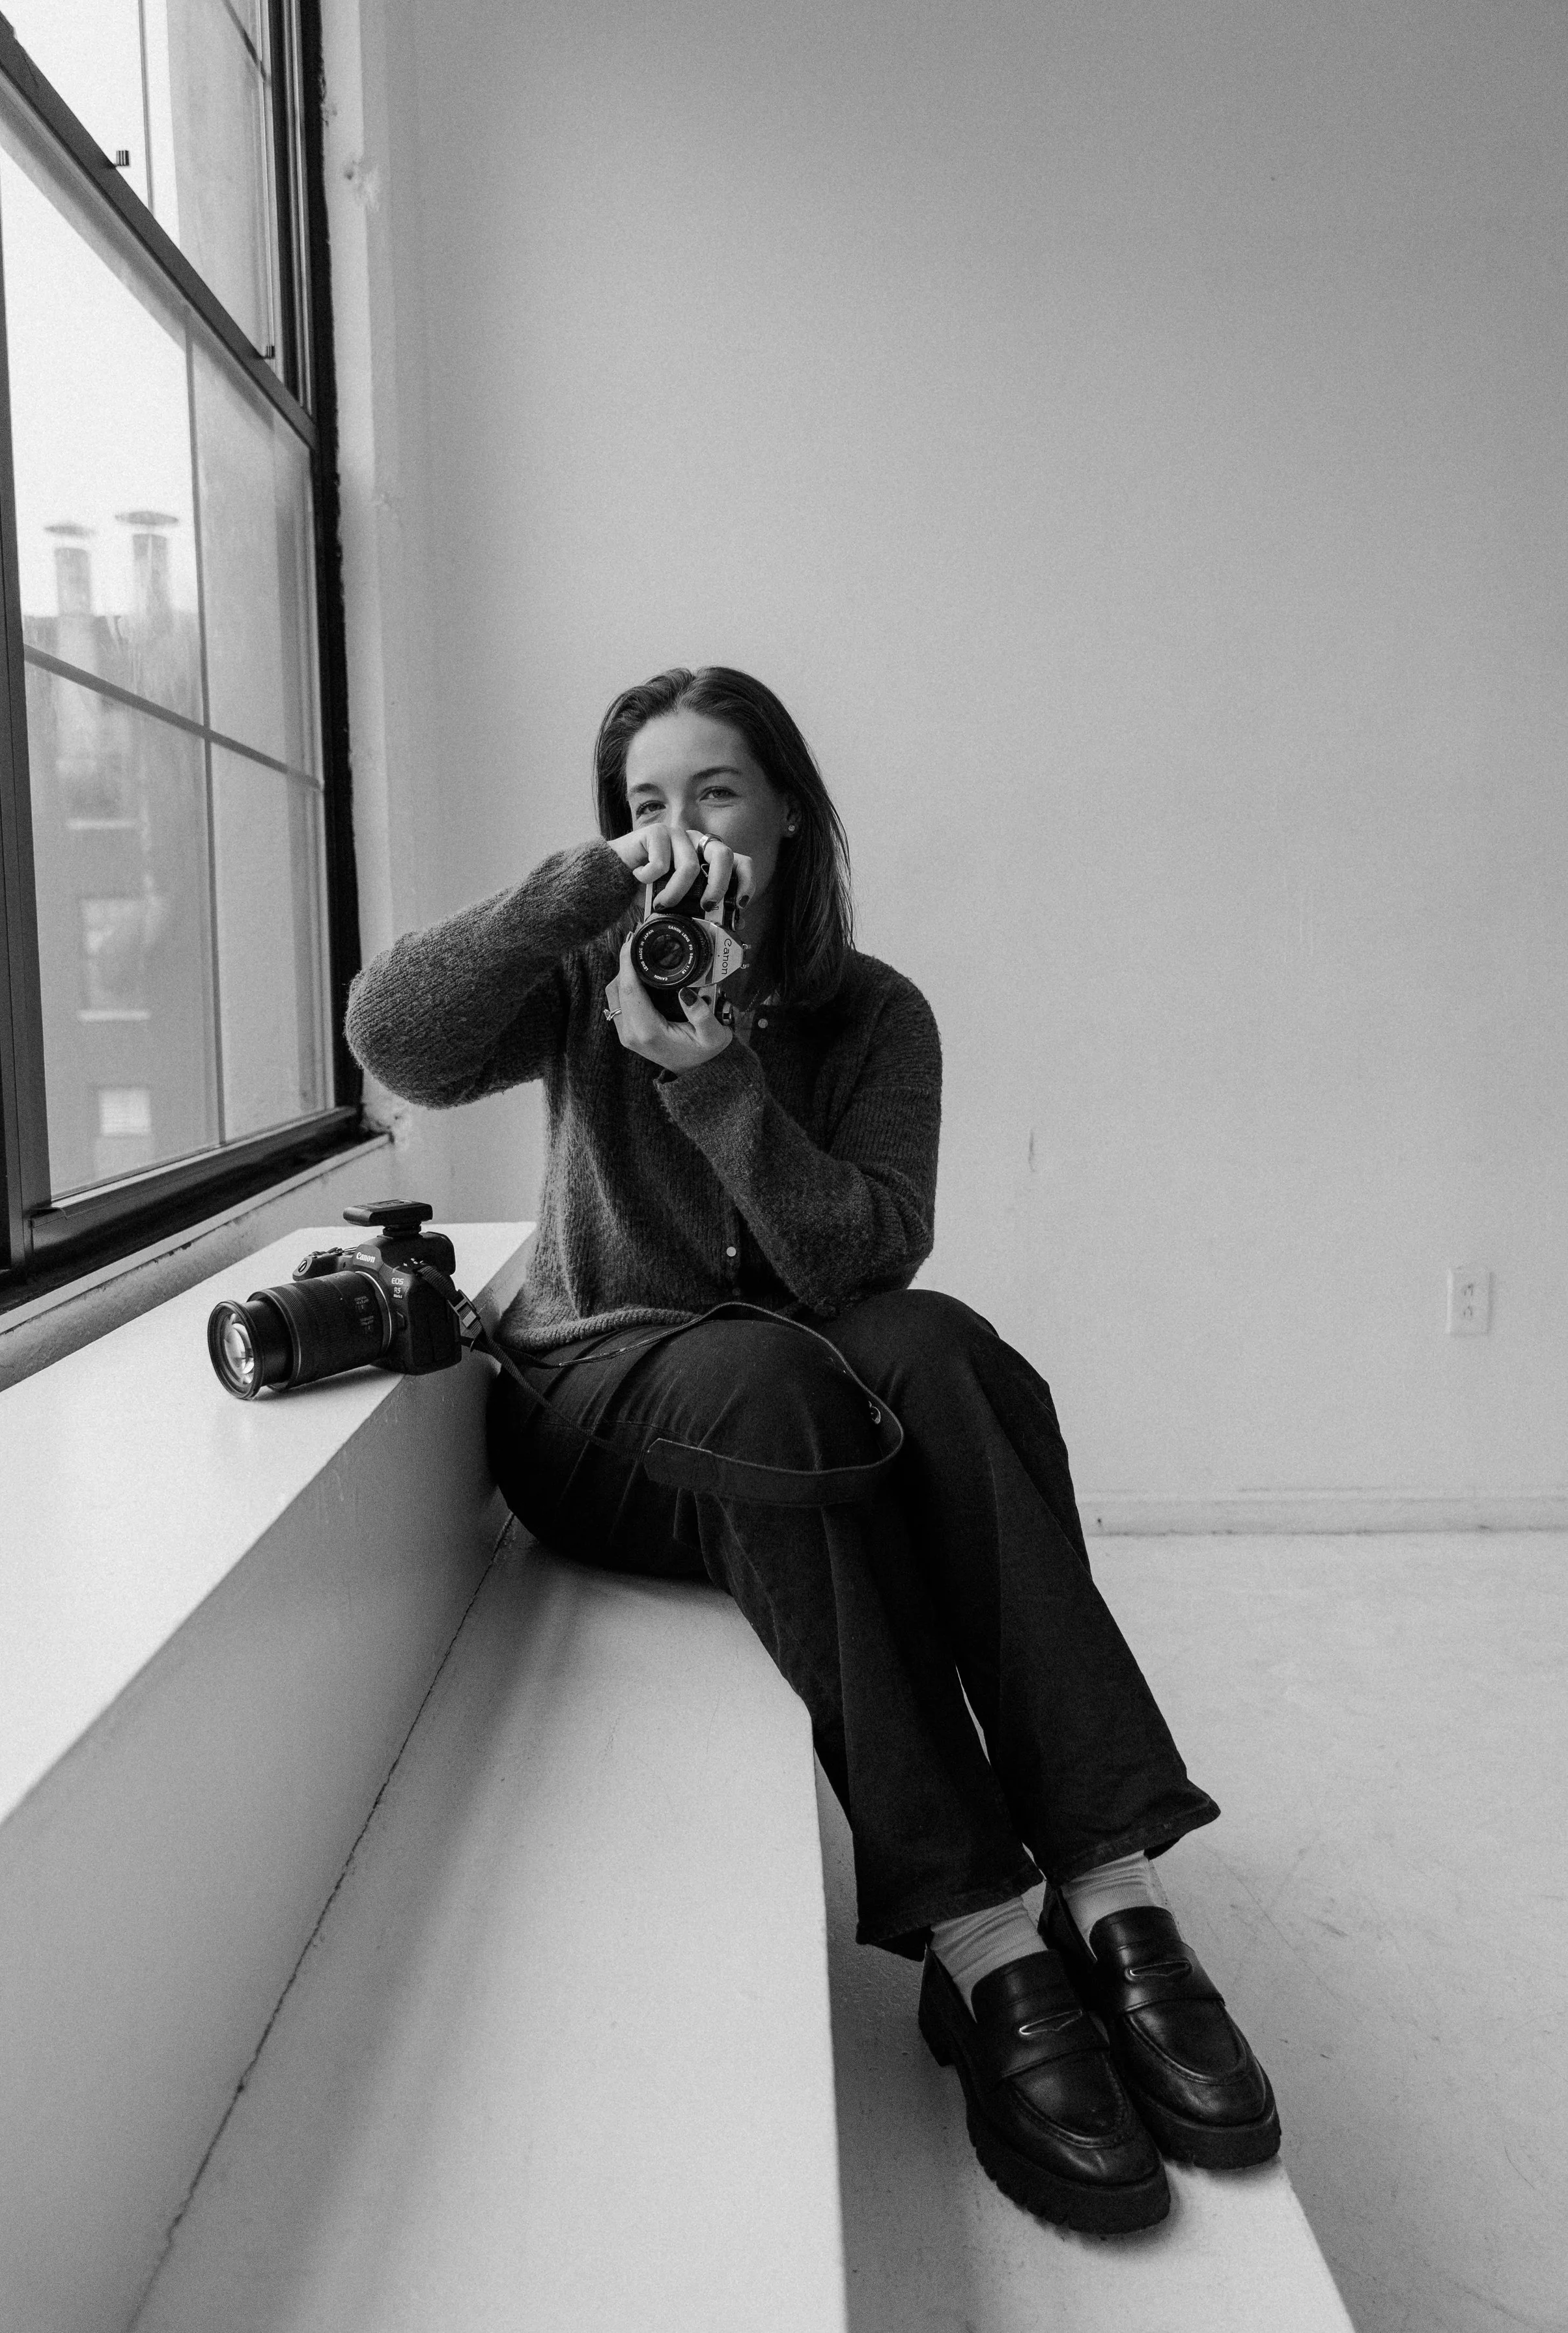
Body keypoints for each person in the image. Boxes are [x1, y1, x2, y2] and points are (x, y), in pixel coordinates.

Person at [344, 664, 1280, 2234]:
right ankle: (982, 1937)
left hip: (800, 1392)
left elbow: (868, 1262)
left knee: (943, 1350)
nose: (676, 830)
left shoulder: (870, 1014)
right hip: (602, 1403)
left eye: (711, 792)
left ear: (784, 813)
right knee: (777, 1391)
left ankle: (1110, 1885)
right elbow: (398, 1040)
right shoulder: (587, 968)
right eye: (642, 803)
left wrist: (714, 1081)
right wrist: (580, 894)